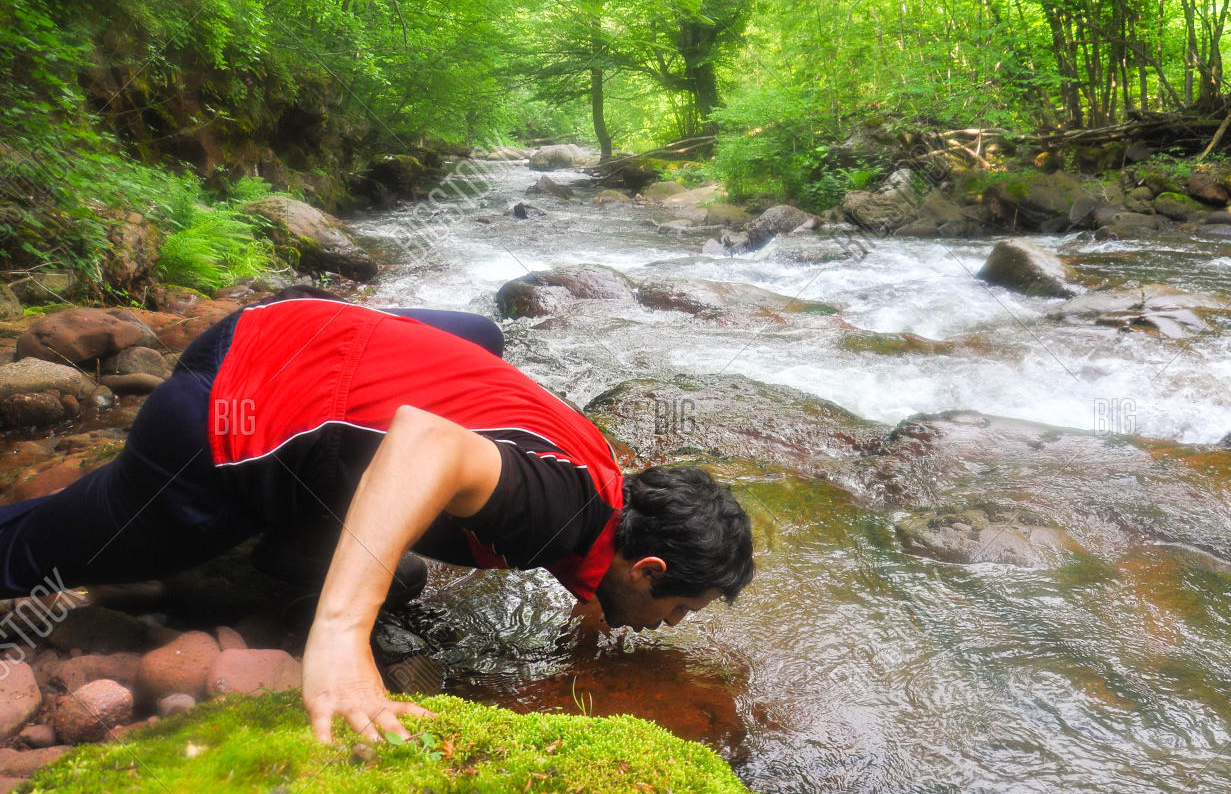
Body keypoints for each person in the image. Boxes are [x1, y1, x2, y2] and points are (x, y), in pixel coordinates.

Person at [0, 288, 754, 744]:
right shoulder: (559, 512)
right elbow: (429, 442)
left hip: (283, 326)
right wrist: (341, 636)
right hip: (224, 419)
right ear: (645, 567)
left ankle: (293, 543)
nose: (670, 625)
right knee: (52, 552)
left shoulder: (603, 475)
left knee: (481, 337)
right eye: (678, 609)